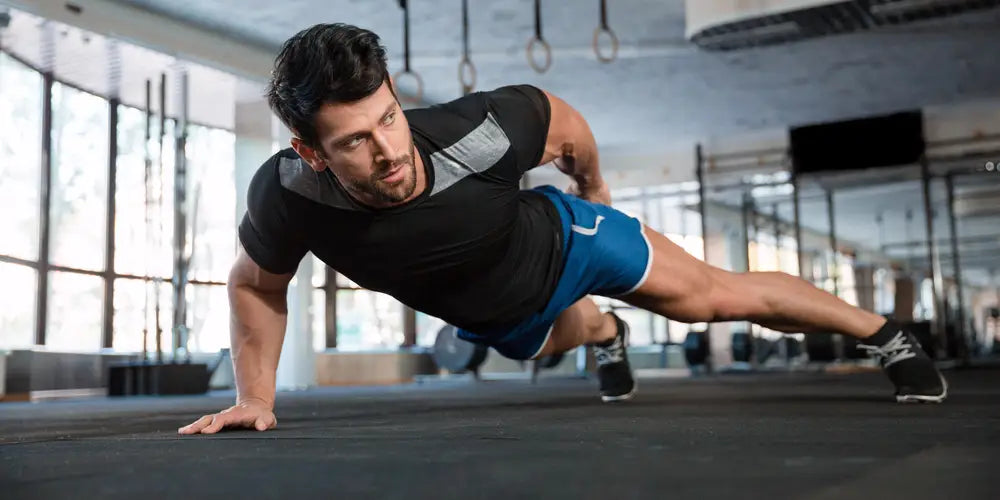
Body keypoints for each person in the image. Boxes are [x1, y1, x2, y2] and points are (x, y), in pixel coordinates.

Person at [178, 23, 947, 435]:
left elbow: (564, 121)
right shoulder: (288, 196)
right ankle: (603, 335)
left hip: (566, 238)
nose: (389, 152)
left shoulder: (478, 130)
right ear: (309, 150)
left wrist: (594, 184)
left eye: (388, 117)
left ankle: (886, 332)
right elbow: (256, 285)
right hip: (504, 314)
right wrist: (256, 395)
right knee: (562, 336)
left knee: (709, 299)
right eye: (355, 141)